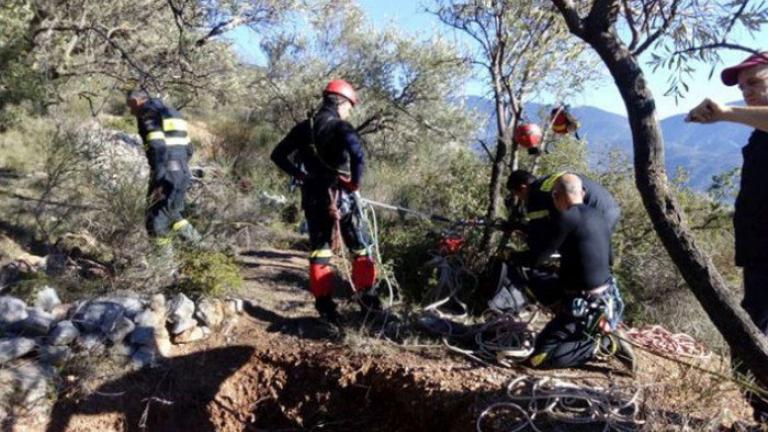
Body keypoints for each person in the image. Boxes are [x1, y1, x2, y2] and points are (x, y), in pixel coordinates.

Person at [686, 52, 768, 421]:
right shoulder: (758, 135)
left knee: (749, 342)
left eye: (755, 82)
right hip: (758, 257)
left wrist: (725, 113)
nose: (746, 91)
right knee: (748, 342)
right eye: (742, 86)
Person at [270, 79, 379, 324]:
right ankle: (368, 304)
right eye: (349, 107)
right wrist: (355, 183)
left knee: (320, 249)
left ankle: (326, 308)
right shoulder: (342, 127)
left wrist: (300, 175)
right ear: (341, 103)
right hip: (340, 195)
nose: (349, 111)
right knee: (361, 247)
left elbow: (277, 155)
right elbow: (358, 156)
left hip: (312, 195)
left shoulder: (303, 128)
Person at [517, 174, 633, 370]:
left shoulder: (566, 217)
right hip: (603, 296)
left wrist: (512, 256)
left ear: (555, 196)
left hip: (581, 302)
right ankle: (578, 327)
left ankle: (603, 344)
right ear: (583, 192)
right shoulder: (599, 215)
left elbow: (538, 258)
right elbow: (609, 259)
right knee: (542, 286)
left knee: (539, 359)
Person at [127, 89, 200, 255]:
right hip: (182, 172)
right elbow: (189, 149)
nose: (131, 111)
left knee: (156, 220)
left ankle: (163, 265)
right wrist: (178, 166)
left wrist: (159, 177)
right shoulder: (173, 112)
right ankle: (205, 252)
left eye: (130, 106)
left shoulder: (147, 113)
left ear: (137, 101)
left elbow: (157, 146)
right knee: (173, 214)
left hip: (166, 173)